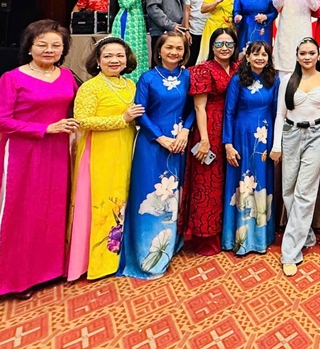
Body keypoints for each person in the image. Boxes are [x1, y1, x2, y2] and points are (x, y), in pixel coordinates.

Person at [0, 20, 79, 298]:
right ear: (29, 47)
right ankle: (13, 279)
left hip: (57, 151)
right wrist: (44, 128)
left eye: (56, 45)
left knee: (52, 210)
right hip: (23, 153)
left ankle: (48, 271)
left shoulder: (66, 76)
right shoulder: (13, 78)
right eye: (42, 44)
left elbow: (78, 107)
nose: (49, 50)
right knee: (22, 212)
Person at [118, 32, 193, 279]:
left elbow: (193, 108)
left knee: (172, 197)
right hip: (151, 144)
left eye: (179, 48)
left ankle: (168, 246)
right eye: (169, 47)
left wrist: (185, 130)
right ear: (159, 50)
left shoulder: (188, 76)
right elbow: (140, 113)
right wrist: (160, 138)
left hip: (178, 143)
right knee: (147, 195)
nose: (174, 52)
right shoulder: (147, 78)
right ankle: (144, 254)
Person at [68, 37, 142, 281]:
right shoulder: (91, 87)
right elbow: (82, 120)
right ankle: (96, 262)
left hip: (125, 148)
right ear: (98, 61)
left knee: (122, 199)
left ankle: (119, 258)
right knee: (100, 202)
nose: (114, 60)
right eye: (108, 56)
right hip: (99, 151)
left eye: (119, 55)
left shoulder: (130, 85)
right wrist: (122, 119)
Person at [271, 37, 320, 275]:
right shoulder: (287, 80)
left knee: (305, 192)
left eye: (311, 53)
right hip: (291, 134)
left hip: (316, 135)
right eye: (303, 53)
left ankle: (290, 252)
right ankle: (306, 234)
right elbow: (280, 114)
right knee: (288, 190)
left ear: (318, 55)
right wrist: (277, 145)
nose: (307, 57)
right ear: (296, 56)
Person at [182, 28, 239, 256]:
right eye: (219, 44)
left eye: (229, 44)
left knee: (230, 180)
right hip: (210, 128)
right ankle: (206, 236)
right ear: (211, 46)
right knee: (207, 183)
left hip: (234, 127)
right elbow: (199, 107)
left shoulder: (238, 67)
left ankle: (228, 232)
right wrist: (204, 139)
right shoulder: (203, 69)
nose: (224, 48)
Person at [222, 41, 279, 256]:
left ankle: (260, 236)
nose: (260, 58)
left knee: (262, 181)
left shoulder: (274, 80)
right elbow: (229, 112)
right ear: (247, 57)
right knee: (242, 180)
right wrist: (228, 143)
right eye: (256, 54)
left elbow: (276, 113)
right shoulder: (237, 80)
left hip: (265, 137)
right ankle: (238, 237)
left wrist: (276, 143)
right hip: (241, 135)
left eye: (264, 54)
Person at [272, 0, 320, 76]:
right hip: (286, 29)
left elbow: (315, 6)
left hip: (303, 28)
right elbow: (276, 5)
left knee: (303, 61)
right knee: (285, 64)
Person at [109, 0, 150, 82]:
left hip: (138, 20)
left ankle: (139, 84)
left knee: (140, 53)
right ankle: (125, 82)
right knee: (128, 52)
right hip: (127, 21)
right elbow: (125, 3)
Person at [196, 0, 241, 64]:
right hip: (211, 28)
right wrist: (218, 0)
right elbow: (203, 9)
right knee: (208, 53)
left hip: (228, 31)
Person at [184, 0, 221, 67]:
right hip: (196, 30)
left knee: (214, 62)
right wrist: (186, 30)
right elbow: (186, 10)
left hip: (216, 30)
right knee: (193, 62)